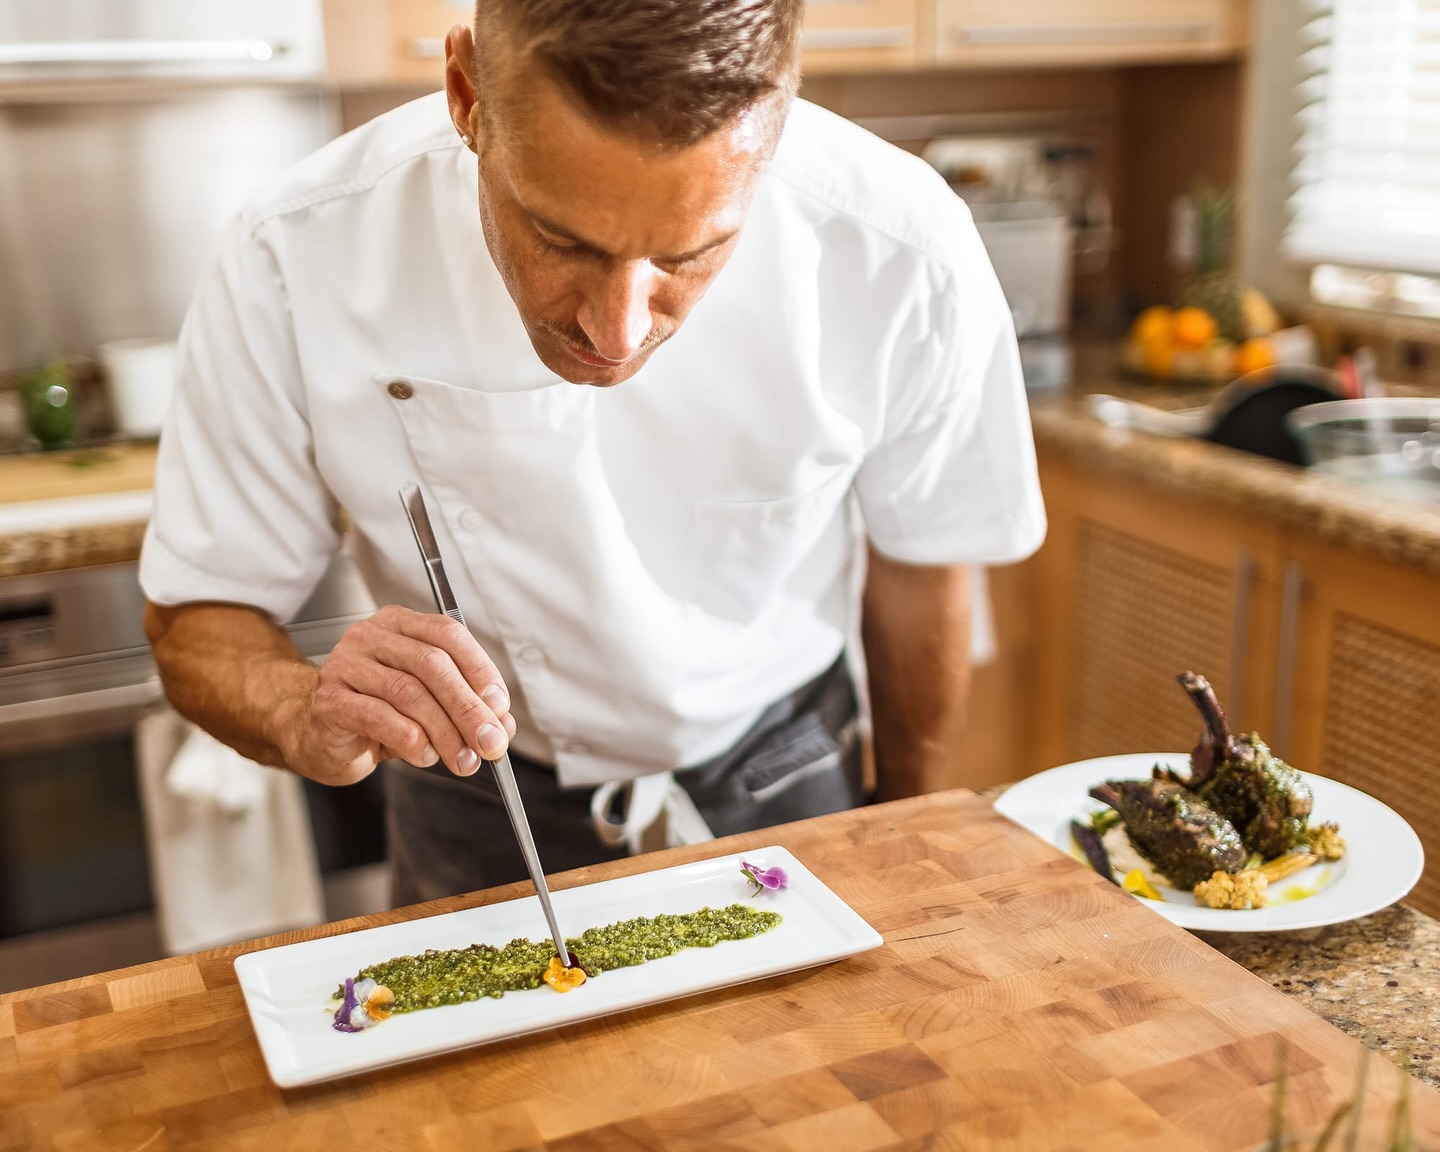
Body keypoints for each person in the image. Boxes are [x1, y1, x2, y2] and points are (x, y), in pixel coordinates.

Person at [140, 0, 1046, 905]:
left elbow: (923, 567)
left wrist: (907, 830)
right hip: (472, 797)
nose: (614, 333)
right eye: (560, 238)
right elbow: (196, 617)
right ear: (467, 96)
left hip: (786, 771)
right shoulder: (295, 248)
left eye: (692, 254)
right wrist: (303, 712)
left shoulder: (900, 246)